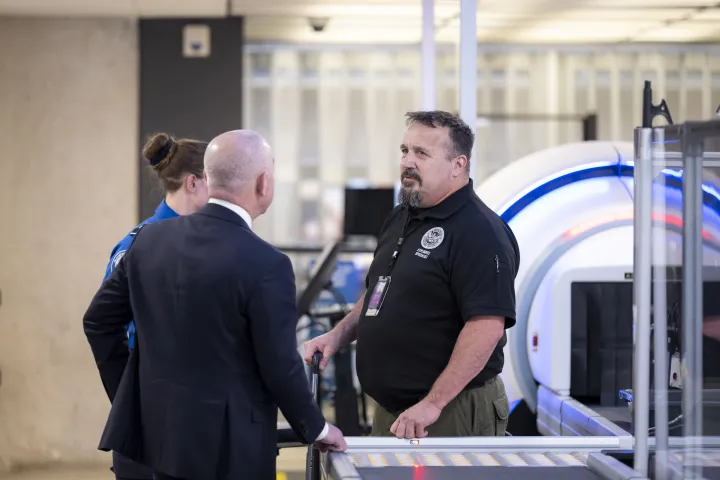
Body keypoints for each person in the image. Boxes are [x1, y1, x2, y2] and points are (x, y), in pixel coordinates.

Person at [84, 129, 346, 480]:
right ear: (263, 183)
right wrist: (318, 429)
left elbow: (98, 321)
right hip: (226, 452)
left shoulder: (148, 241)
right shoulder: (267, 264)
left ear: (207, 179)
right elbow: (279, 365)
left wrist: (130, 397)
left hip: (153, 441)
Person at [304, 110, 520, 439]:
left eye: (422, 153)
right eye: (405, 151)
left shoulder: (479, 231)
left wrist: (433, 403)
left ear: (458, 165)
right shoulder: (401, 217)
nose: (407, 161)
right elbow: (381, 292)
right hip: (393, 410)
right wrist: (339, 334)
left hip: (448, 411)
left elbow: (486, 326)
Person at [103, 132, 209, 480]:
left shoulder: (209, 245)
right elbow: (104, 325)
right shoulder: (138, 246)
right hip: (153, 416)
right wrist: (128, 398)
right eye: (215, 182)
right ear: (193, 183)